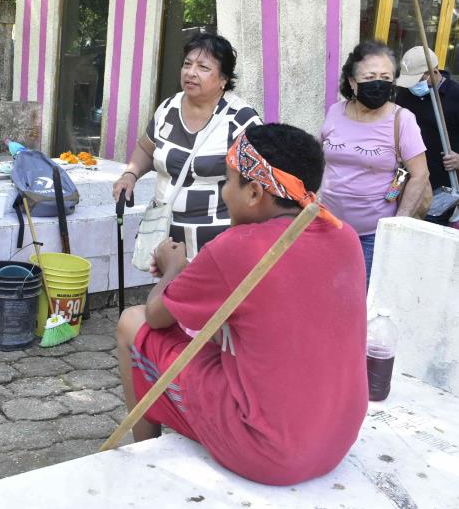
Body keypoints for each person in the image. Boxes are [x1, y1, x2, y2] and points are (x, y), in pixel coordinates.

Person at [116, 123, 367, 486]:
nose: (223, 191)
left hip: (269, 452)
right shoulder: (346, 236)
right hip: (337, 440)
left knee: (131, 321)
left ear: (253, 193)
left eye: (229, 181)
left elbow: (155, 317)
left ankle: (144, 463)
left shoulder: (236, 246)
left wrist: (174, 267)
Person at [112, 32, 261, 263]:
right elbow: (146, 147)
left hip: (217, 243)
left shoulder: (241, 120)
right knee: (168, 294)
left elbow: (258, 184)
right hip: (167, 237)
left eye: (203, 67)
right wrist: (130, 175)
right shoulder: (168, 108)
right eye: (187, 64)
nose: (191, 72)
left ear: (223, 79)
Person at [320, 40, 429, 283]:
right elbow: (322, 157)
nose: (378, 83)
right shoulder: (335, 111)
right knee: (326, 290)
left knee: (361, 298)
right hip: (327, 227)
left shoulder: (403, 119)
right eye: (370, 76)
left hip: (372, 235)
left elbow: (420, 175)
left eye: (385, 76)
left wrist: (398, 224)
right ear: (351, 80)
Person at [395, 46, 459, 226]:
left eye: (417, 79)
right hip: (406, 182)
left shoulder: (456, 96)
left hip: (442, 188)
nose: (413, 86)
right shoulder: (405, 93)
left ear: (434, 71)